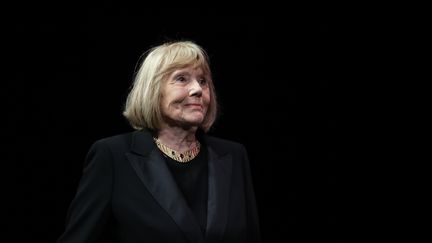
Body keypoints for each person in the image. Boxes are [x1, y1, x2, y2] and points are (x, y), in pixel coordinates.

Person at [56, 40, 261, 243]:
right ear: (153, 90)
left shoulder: (234, 155)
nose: (198, 90)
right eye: (182, 78)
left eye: (203, 81)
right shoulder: (112, 156)